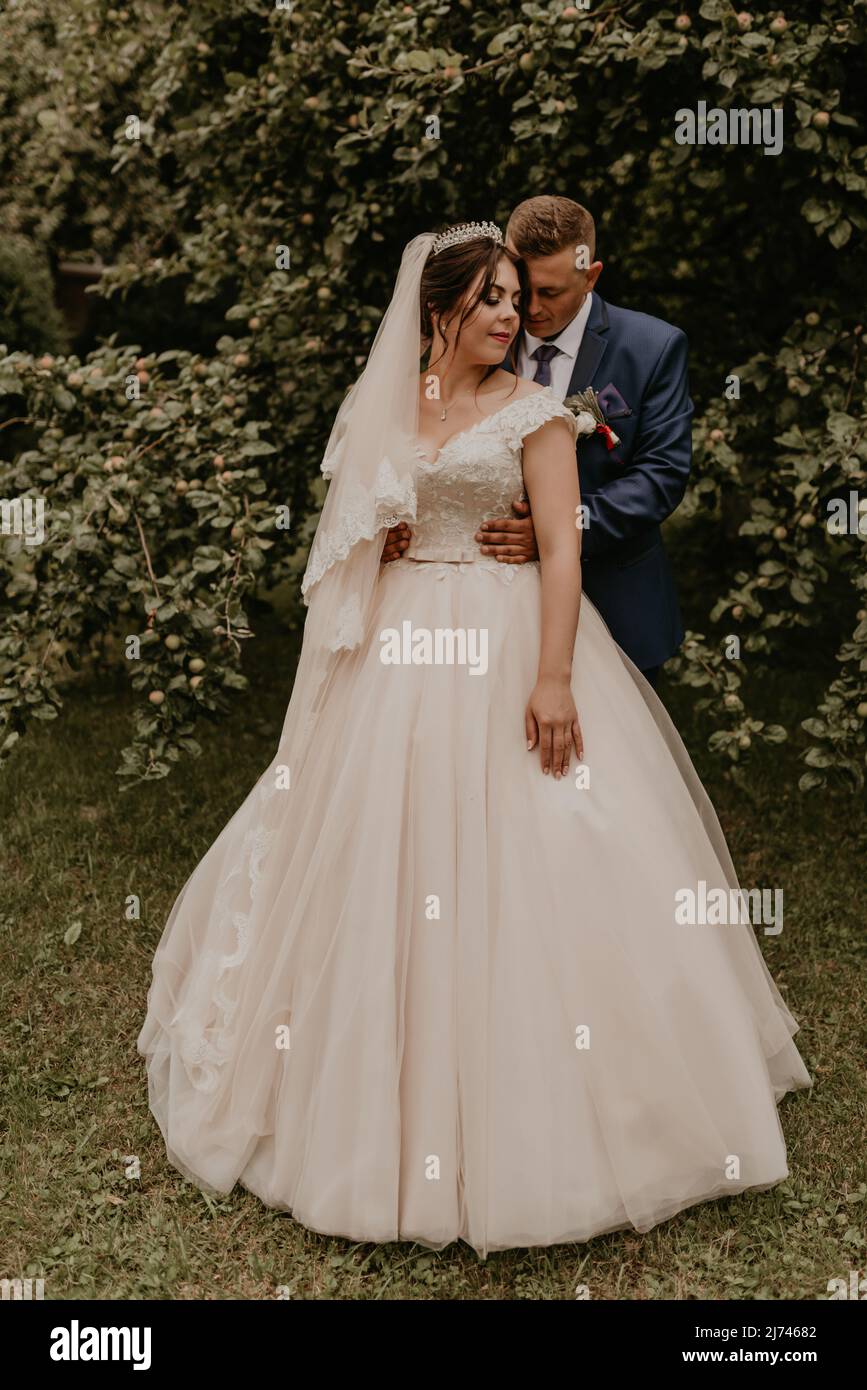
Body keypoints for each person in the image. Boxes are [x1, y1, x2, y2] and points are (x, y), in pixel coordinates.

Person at [138, 223, 811, 1260]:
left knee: (550, 845)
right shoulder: (384, 404)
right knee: (381, 855)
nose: (513, 315)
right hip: (400, 649)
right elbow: (344, 535)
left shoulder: (538, 413)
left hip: (509, 639)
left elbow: (560, 548)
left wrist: (551, 679)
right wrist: (385, 538)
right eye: (492, 298)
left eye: (517, 297)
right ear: (440, 307)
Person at [382, 196, 692, 688]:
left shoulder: (651, 348)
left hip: (615, 594)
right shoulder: (481, 339)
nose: (528, 308)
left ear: (590, 276)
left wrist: (559, 527)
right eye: (521, 288)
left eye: (548, 292)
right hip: (482, 606)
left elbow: (661, 476)